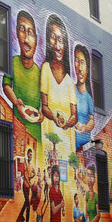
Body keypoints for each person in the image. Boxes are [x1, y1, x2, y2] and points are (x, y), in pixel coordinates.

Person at [40, 15, 77, 158]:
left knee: (68, 167)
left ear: (65, 44)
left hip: (67, 139)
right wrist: (54, 118)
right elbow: (44, 106)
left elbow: (74, 115)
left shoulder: (69, 81)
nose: (57, 45)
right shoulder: (46, 69)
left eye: (61, 40)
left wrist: (68, 123)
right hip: (49, 134)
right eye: (53, 38)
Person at [3, 10, 43, 142]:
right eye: (22, 30)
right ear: (16, 34)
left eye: (30, 32)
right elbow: (6, 85)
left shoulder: (40, 72)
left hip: (36, 131)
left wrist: (42, 111)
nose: (26, 38)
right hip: (16, 127)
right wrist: (16, 102)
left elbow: (44, 98)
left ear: (36, 39)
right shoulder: (12, 62)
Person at [73, 44, 95, 154]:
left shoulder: (88, 98)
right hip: (69, 144)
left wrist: (85, 127)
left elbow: (92, 120)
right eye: (76, 61)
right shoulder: (70, 89)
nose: (79, 67)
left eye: (82, 62)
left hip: (83, 150)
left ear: (87, 69)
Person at [18, 148, 36, 222]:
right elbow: (25, 176)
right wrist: (29, 183)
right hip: (25, 185)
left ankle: (21, 214)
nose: (30, 156)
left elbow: (31, 174)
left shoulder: (31, 165)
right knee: (28, 204)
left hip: (28, 186)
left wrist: (33, 175)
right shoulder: (25, 163)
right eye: (29, 154)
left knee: (26, 202)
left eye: (31, 155)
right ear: (27, 155)